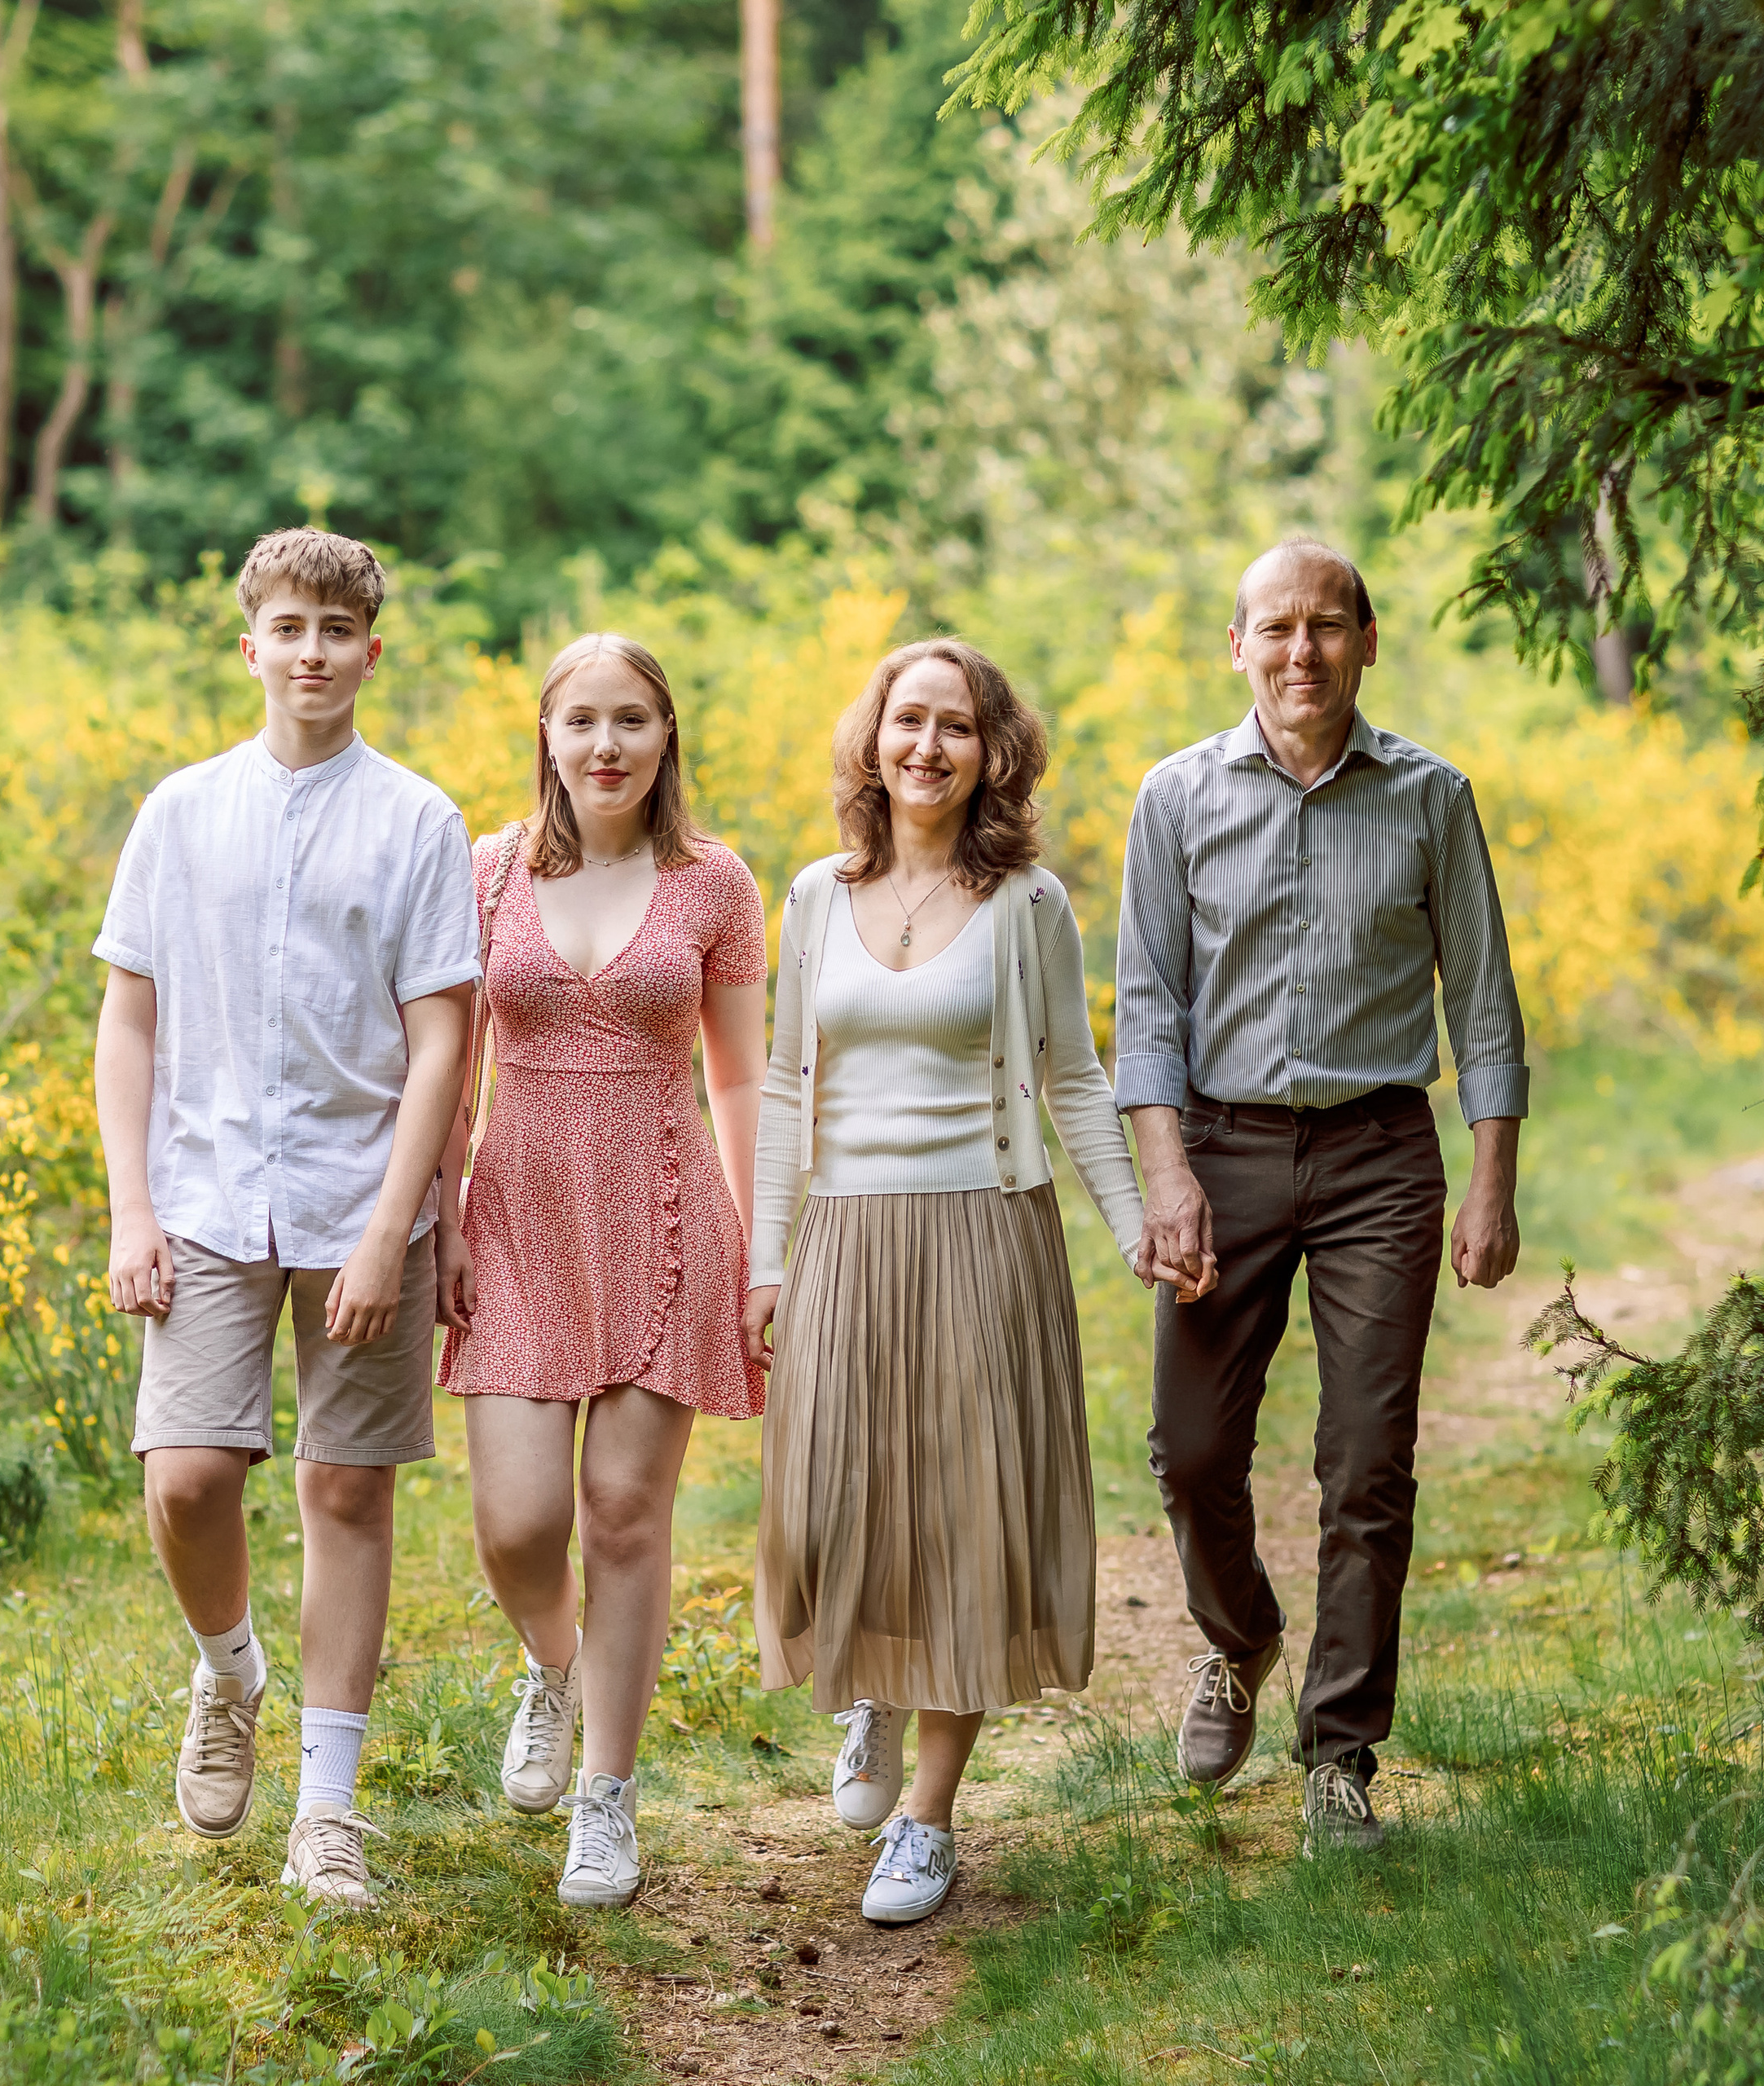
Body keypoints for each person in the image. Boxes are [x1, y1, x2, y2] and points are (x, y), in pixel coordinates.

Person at [1115, 535, 1527, 1856]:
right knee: (1189, 1455)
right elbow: (1148, 1007)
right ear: (1236, 646)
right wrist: (1165, 1174)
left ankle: (1340, 1755)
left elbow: (1482, 1002)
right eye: (1277, 629)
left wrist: (1491, 1183)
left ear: (1365, 641)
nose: (1304, 653)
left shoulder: (1430, 797)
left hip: (1378, 1162)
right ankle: (1239, 1641)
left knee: (1366, 1465)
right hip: (1222, 1155)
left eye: (1329, 627)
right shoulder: (1175, 797)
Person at [94, 527, 479, 1908]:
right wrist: (132, 1208)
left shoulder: (422, 822)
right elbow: (129, 1017)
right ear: (249, 645)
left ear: (374, 651)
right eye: (289, 627)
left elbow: (444, 1041)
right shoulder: (179, 813)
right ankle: (229, 1668)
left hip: (357, 1200)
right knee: (186, 1479)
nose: (312, 651)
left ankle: (327, 1813)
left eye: (337, 629)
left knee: (344, 1489)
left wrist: (395, 1231)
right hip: (201, 1194)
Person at [743, 637, 1154, 1927]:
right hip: (847, 1239)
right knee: (829, 1501)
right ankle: (864, 1679)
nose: (928, 746)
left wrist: (1137, 1220)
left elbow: (1074, 1077)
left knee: (971, 1512)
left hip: (987, 1230)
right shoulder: (814, 895)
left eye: (957, 727)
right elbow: (787, 1087)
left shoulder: (1030, 905)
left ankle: (928, 1815)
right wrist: (766, 1257)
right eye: (907, 720)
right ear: (873, 739)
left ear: (994, 754)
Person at [437, 632, 767, 1910]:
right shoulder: (486, 871)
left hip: (667, 1207)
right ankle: (553, 1666)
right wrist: (446, 1211)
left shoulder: (714, 882)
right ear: (547, 736)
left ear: (667, 734)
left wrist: (760, 1244)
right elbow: (453, 1065)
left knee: (625, 1514)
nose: (607, 745)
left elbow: (739, 1076)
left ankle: (609, 1801)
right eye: (582, 721)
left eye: (631, 720)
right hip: (516, 1209)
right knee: (518, 1523)